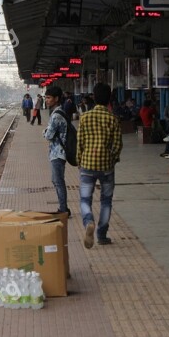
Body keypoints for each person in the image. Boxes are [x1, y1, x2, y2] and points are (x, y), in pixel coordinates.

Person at [77, 82, 122, 248]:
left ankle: (89, 221)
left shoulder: (85, 117)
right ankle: (102, 235)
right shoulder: (113, 118)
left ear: (94, 98)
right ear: (109, 98)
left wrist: (79, 160)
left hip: (87, 165)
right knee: (106, 201)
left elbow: (80, 142)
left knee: (85, 199)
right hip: (107, 167)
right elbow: (117, 145)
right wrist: (113, 159)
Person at [43, 86, 70, 217]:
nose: (46, 100)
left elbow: (48, 135)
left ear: (56, 99)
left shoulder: (56, 116)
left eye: (49, 98)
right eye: (46, 98)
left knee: (58, 181)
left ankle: (64, 209)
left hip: (58, 153)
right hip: (57, 152)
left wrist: (45, 132)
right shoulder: (59, 112)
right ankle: (63, 207)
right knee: (57, 180)